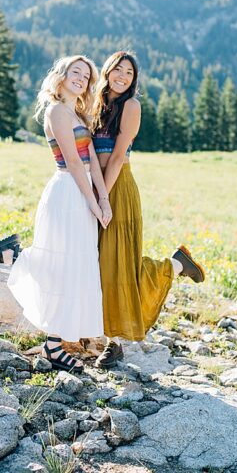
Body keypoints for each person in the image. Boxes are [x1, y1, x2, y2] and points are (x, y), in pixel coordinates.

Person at [89, 51, 205, 369]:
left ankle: (114, 341)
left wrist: (102, 197)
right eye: (118, 69)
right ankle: (178, 264)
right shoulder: (96, 104)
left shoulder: (131, 106)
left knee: (120, 265)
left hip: (117, 188)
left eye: (130, 72)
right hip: (96, 187)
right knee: (98, 262)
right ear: (108, 71)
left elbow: (116, 157)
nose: (123, 76)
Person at [7, 55, 111, 372]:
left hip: (84, 191)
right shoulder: (56, 111)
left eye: (86, 75)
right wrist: (93, 204)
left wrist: (103, 198)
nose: (81, 78)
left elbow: (91, 158)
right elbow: (74, 162)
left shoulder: (77, 112)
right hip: (68, 192)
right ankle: (14, 256)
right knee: (61, 264)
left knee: (73, 266)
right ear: (62, 75)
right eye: (75, 72)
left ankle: (54, 345)